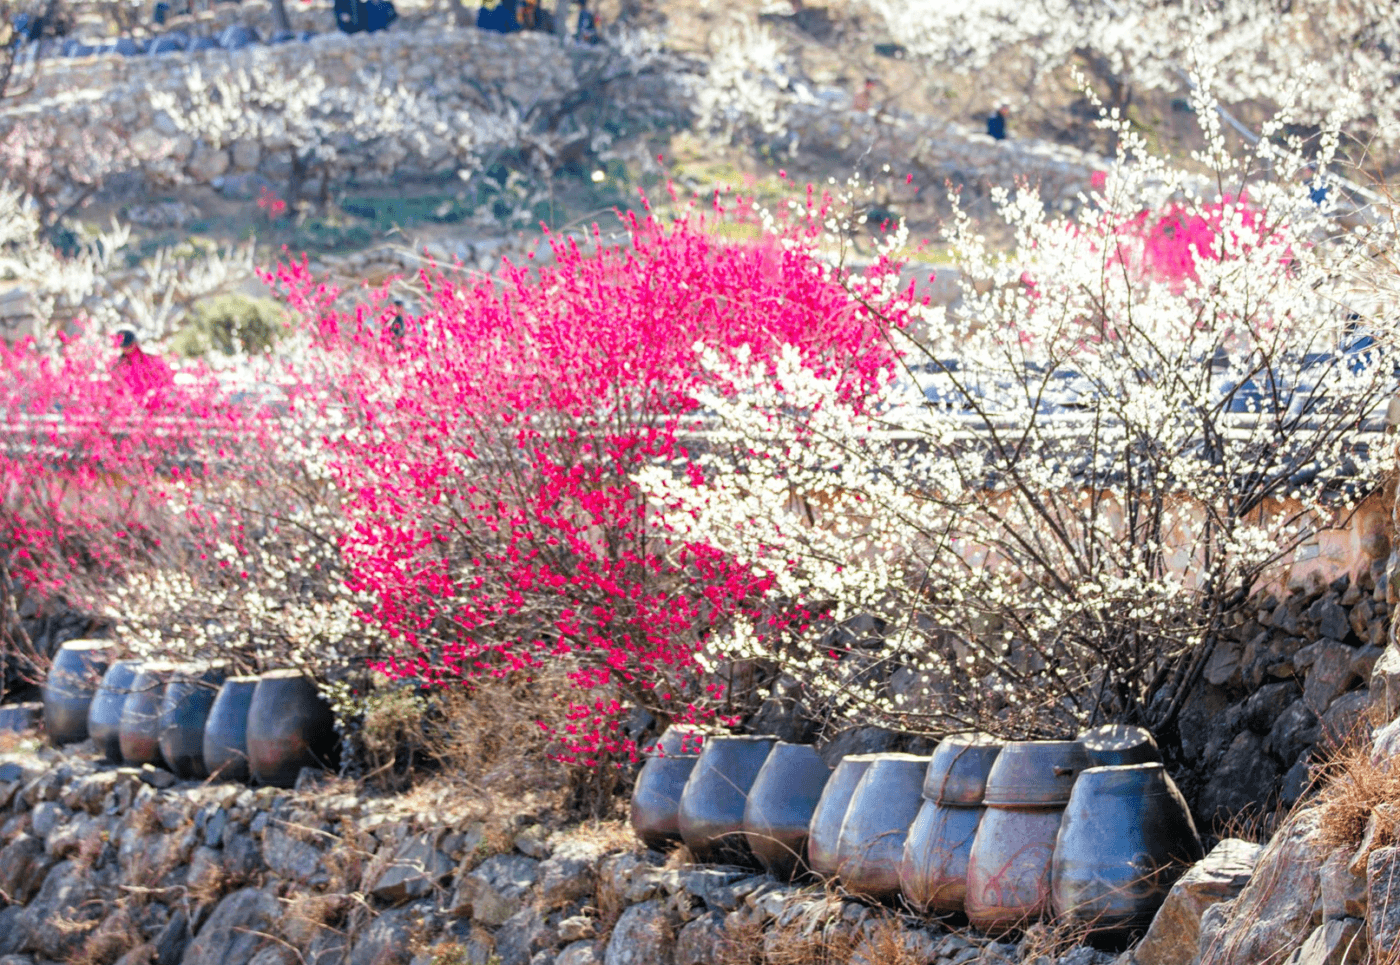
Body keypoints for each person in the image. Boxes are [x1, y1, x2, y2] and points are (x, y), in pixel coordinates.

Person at [111, 329, 173, 399]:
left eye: (129, 345)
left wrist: (159, 392)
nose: (127, 349)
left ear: (136, 343)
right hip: (134, 403)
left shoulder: (151, 358)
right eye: (124, 347)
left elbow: (166, 377)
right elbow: (116, 389)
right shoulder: (119, 365)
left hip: (156, 399)